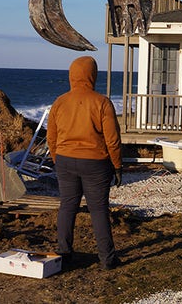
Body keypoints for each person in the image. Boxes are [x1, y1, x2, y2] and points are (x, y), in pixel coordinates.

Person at [48, 56, 123, 269]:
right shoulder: (101, 102)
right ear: (93, 75)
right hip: (95, 163)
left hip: (64, 160)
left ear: (72, 75)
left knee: (67, 207)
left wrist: (57, 159)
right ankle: (107, 260)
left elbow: (51, 138)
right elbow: (112, 140)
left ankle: (64, 254)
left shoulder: (59, 102)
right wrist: (117, 166)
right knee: (98, 210)